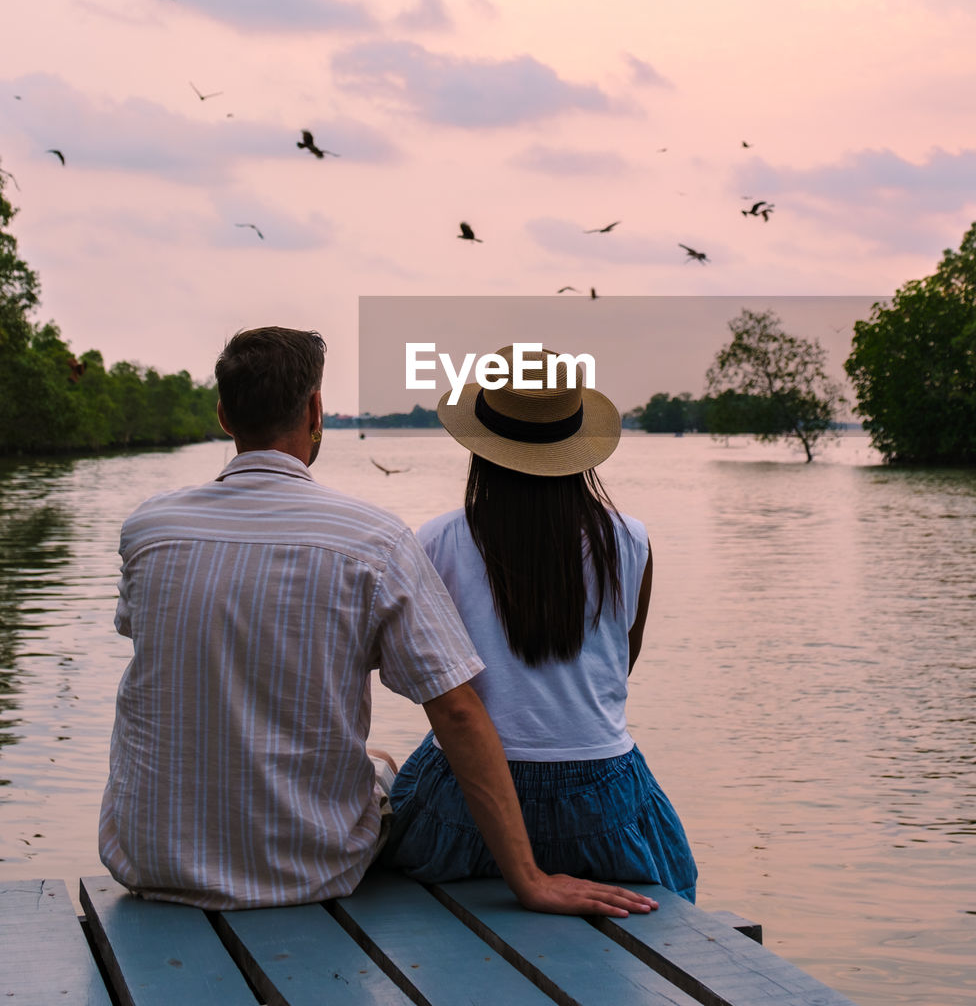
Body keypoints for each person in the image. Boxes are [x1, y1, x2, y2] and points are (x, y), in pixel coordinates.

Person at [98, 327, 656, 917]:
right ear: (316, 410)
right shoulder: (372, 541)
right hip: (311, 866)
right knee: (384, 768)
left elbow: (158, 639)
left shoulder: (148, 529)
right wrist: (529, 878)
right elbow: (465, 708)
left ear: (223, 415)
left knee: (387, 767)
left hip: (148, 858)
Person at [383, 344, 698, 900]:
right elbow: (619, 669)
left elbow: (429, 687)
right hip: (602, 804)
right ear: (578, 447)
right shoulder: (631, 541)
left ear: (480, 444)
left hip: (467, 805)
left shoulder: (436, 542)